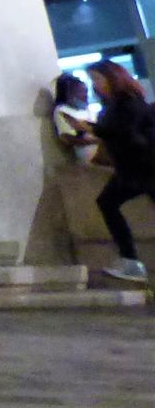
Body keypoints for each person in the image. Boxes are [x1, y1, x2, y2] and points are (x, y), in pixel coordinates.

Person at [89, 63, 155, 284]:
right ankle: (130, 261)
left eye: (98, 79)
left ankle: (131, 261)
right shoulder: (116, 104)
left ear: (112, 78)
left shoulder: (128, 103)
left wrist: (94, 130)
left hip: (143, 168)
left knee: (107, 203)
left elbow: (129, 134)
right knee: (107, 202)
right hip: (132, 170)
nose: (95, 85)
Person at [52, 73, 101, 165]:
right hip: (88, 156)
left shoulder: (86, 109)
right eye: (80, 92)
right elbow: (67, 138)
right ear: (68, 94)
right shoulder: (62, 110)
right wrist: (97, 140)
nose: (84, 95)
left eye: (85, 91)